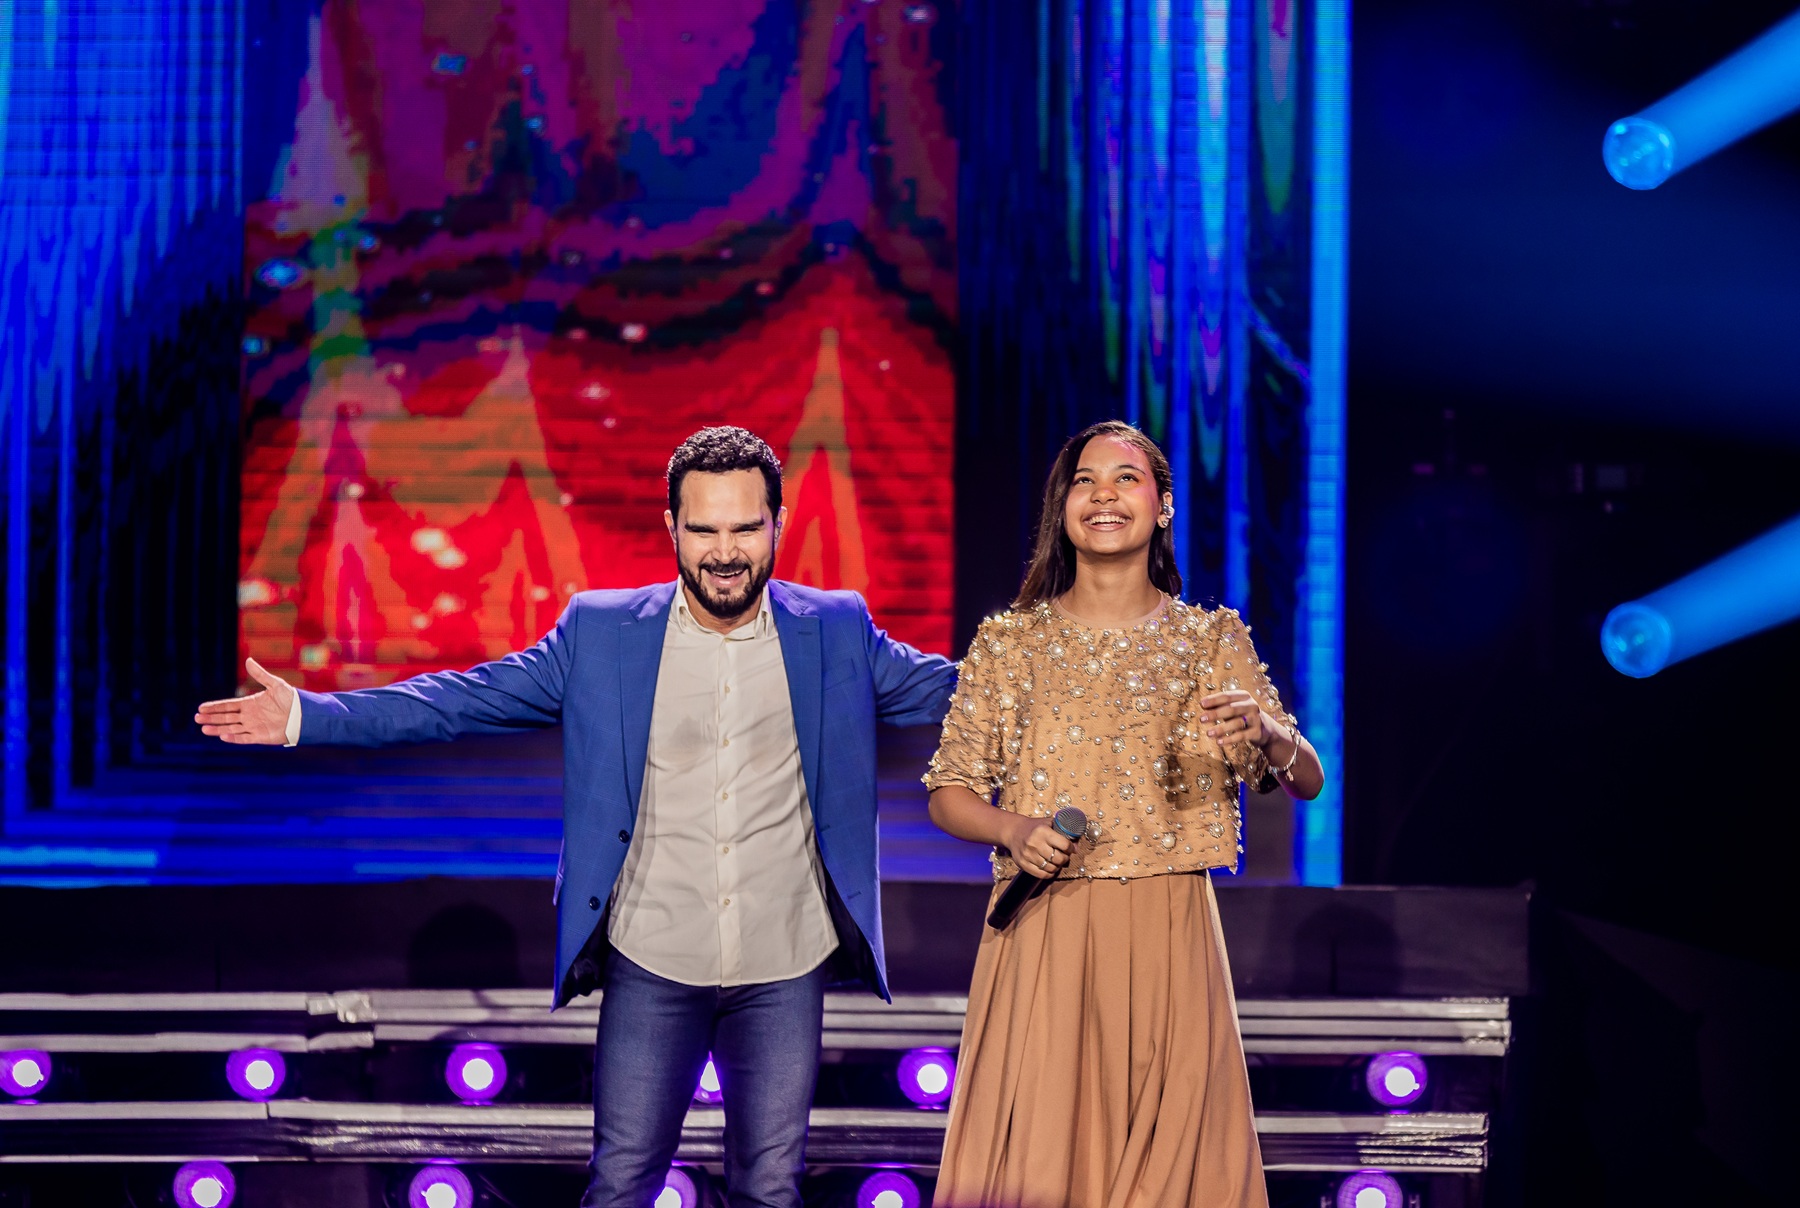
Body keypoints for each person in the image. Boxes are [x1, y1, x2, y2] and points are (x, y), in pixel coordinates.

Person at [195, 426, 958, 1208]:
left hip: (784, 960)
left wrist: (1082, 663)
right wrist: (311, 716)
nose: (723, 552)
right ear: (671, 528)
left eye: (743, 528)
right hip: (653, 957)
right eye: (703, 529)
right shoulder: (601, 633)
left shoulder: (834, 629)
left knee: (769, 1190)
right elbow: (461, 700)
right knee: (621, 1185)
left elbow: (964, 692)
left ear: (778, 524)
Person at [923, 420, 1324, 1208]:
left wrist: (1274, 735)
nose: (1104, 494)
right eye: (1084, 480)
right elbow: (949, 790)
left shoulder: (1210, 639)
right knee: (1042, 1155)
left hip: (1170, 926)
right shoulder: (1010, 643)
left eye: (1127, 479)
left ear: (1164, 507)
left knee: (1175, 1160)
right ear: (1062, 508)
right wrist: (1014, 830)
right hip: (1047, 929)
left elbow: (1304, 779)